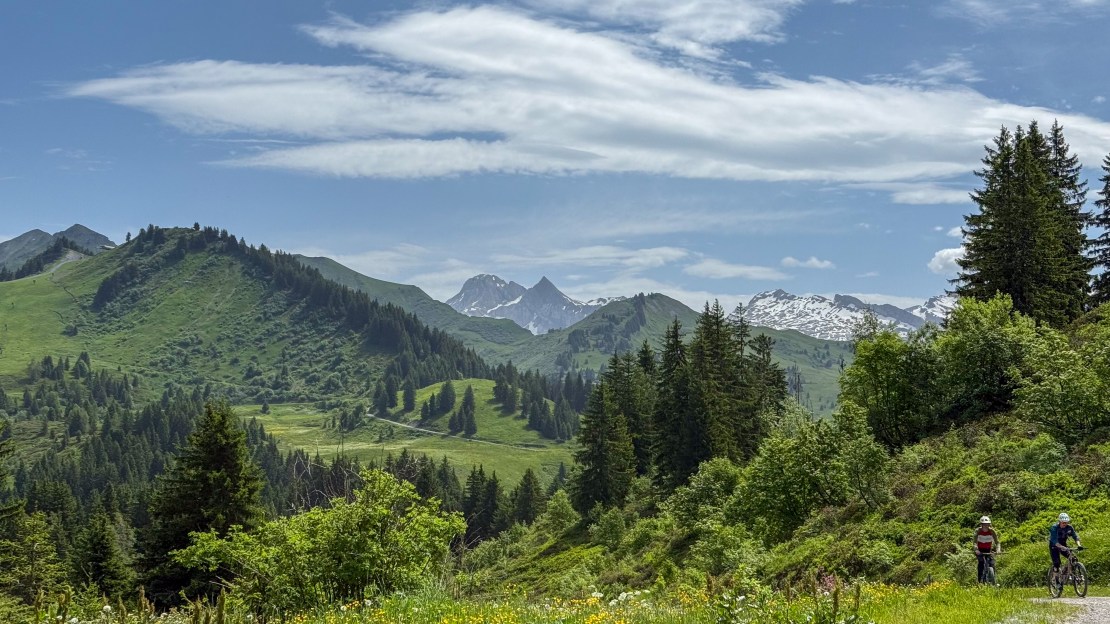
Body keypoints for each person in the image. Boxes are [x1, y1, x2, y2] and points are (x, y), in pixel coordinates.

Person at [1049, 512, 1082, 576]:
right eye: (1063, 522)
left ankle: (1070, 574)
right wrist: (1061, 547)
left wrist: (1079, 545)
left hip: (1063, 544)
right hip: (1054, 546)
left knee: (1073, 559)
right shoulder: (1054, 527)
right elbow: (1054, 540)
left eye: (1066, 522)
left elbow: (1075, 537)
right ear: (1059, 521)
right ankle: (1056, 580)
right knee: (1057, 563)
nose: (1065, 524)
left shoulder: (1069, 527)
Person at [975, 515, 1001, 584]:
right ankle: (980, 582)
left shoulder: (992, 531)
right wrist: (976, 550)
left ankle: (993, 581)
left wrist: (998, 550)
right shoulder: (978, 531)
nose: (986, 526)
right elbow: (974, 542)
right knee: (981, 563)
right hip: (980, 551)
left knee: (992, 563)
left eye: (987, 525)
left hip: (988, 550)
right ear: (981, 525)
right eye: (984, 525)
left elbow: (997, 542)